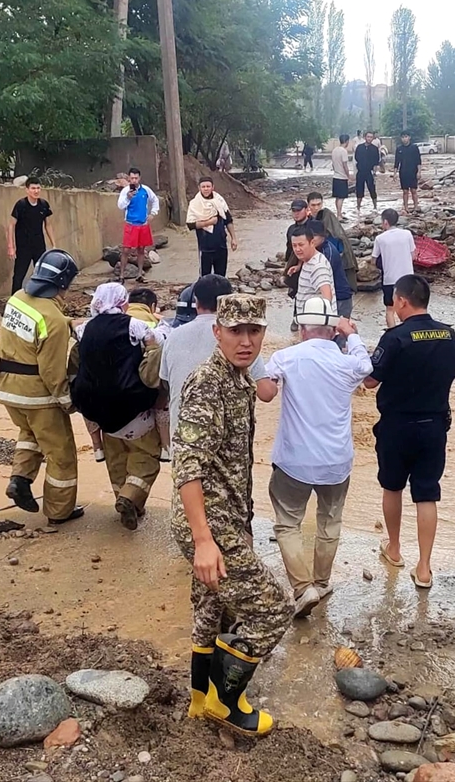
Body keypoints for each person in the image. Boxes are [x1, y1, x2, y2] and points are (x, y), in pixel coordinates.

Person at [172, 293, 290, 737]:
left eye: (254, 331)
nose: (245, 341)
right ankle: (227, 703)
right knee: (271, 610)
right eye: (236, 331)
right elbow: (189, 465)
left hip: (226, 517)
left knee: (212, 608)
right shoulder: (209, 382)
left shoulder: (238, 380)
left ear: (263, 333)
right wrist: (204, 540)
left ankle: (201, 699)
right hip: (210, 523)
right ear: (217, 332)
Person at [256, 300, 373, 617]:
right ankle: (321, 583)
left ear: (302, 328)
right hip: (336, 461)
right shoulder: (347, 362)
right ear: (333, 329)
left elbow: (265, 393)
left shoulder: (286, 357)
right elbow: (367, 368)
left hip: (293, 461)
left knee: (288, 524)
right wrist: (353, 335)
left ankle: (302, 587)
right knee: (329, 522)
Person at [365, 275, 455, 589]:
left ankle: (394, 549)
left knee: (392, 487)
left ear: (402, 301)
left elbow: (370, 381)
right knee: (426, 493)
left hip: (396, 425)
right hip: (434, 426)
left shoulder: (394, 337)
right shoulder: (448, 334)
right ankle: (424, 568)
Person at [0, 249, 85, 524]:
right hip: (38, 396)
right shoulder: (53, 322)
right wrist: (67, 401)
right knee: (62, 454)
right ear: (63, 284)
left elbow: (38, 322)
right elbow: (52, 371)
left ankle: (19, 480)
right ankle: (59, 511)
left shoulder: (17, 299)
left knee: (30, 434)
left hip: (7, 389)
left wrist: (69, 324)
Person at [72, 283, 165, 531]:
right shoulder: (134, 326)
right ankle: (130, 497)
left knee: (116, 460)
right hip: (133, 407)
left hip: (99, 411)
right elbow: (156, 345)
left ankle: (124, 499)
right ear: (123, 303)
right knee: (145, 457)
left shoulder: (84, 329)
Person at [160, 276, 266, 441]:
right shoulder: (241, 343)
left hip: (181, 439)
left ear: (195, 301)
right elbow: (266, 392)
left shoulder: (173, 336)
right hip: (226, 447)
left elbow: (166, 383)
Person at [128, 287, 174, 462]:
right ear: (152, 306)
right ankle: (166, 447)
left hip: (117, 381)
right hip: (146, 381)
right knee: (163, 395)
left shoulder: (116, 320)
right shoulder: (153, 324)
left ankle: (97, 447)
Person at [7, 178, 57, 296]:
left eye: (38, 188)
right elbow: (11, 225)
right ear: (27, 190)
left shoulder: (43, 205)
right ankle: (14, 301)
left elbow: (48, 225)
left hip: (39, 245)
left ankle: (42, 298)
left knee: (42, 274)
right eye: (33, 188)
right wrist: (11, 246)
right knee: (19, 275)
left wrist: (54, 244)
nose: (36, 191)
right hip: (23, 247)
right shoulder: (21, 205)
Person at [371, 209, 416, 329]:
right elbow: (413, 255)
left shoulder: (380, 238)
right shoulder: (407, 234)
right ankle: (409, 331)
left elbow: (373, 260)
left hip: (390, 279)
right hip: (408, 278)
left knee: (390, 309)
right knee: (409, 307)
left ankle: (392, 332)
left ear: (385, 222)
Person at [187, 176, 238, 278]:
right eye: (203, 186)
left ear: (212, 187)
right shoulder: (195, 204)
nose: (206, 189)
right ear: (199, 188)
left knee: (221, 276)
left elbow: (228, 220)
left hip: (221, 245)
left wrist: (233, 238)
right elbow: (190, 225)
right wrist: (208, 222)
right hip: (205, 247)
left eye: (208, 186)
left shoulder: (219, 201)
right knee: (205, 277)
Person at [308, 191, 358, 291]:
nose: (316, 208)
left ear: (322, 203)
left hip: (334, 254)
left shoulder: (327, 216)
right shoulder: (309, 219)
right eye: (313, 205)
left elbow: (337, 236)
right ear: (308, 205)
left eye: (319, 204)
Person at [117, 168, 159, 283]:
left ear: (139, 178)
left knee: (141, 250)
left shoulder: (146, 190)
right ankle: (121, 276)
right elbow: (120, 206)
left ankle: (139, 274)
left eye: (136, 178)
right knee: (126, 250)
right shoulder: (125, 191)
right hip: (130, 224)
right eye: (132, 178)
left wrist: (153, 214)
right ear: (129, 179)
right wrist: (128, 198)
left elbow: (155, 200)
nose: (134, 180)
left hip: (143, 224)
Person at [288, 222, 337, 317]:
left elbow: (327, 298)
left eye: (301, 245)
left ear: (312, 243)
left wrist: (321, 325)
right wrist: (298, 267)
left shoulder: (318, 266)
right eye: (294, 245)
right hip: (308, 322)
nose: (297, 249)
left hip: (316, 326)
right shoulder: (307, 260)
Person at [309, 219, 354, 320]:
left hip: (340, 298)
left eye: (315, 235)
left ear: (323, 236)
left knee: (339, 331)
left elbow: (323, 277)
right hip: (332, 296)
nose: (312, 239)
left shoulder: (328, 252)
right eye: (310, 236)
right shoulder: (317, 250)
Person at [283, 199, 314, 331]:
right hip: (295, 263)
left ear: (306, 210)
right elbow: (289, 250)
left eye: (299, 210)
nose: (296, 213)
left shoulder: (313, 227)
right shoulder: (291, 229)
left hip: (311, 263)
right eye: (294, 210)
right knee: (297, 292)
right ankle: (297, 318)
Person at [393, 131, 422, 213]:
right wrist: (394, 173)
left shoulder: (414, 147)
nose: (404, 139)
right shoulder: (399, 149)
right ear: (401, 138)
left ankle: (416, 206)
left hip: (413, 172)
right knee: (405, 191)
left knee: (413, 190)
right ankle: (406, 207)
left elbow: (418, 161)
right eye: (403, 137)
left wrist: (419, 172)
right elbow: (396, 162)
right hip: (403, 172)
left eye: (406, 137)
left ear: (409, 137)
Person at [354, 131, 381, 213]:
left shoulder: (374, 148)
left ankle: (375, 206)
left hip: (369, 172)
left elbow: (376, 162)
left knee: (372, 188)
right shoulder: (359, 147)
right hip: (360, 171)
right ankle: (358, 207)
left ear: (373, 138)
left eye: (371, 137)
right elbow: (356, 158)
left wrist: (374, 173)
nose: (369, 138)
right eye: (368, 136)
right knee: (359, 189)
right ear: (365, 137)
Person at [330, 134, 351, 220]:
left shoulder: (334, 150)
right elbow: (345, 165)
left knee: (337, 197)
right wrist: (348, 176)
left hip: (335, 176)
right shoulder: (344, 151)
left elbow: (333, 164)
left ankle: (339, 213)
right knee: (341, 198)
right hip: (342, 177)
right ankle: (339, 215)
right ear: (346, 142)